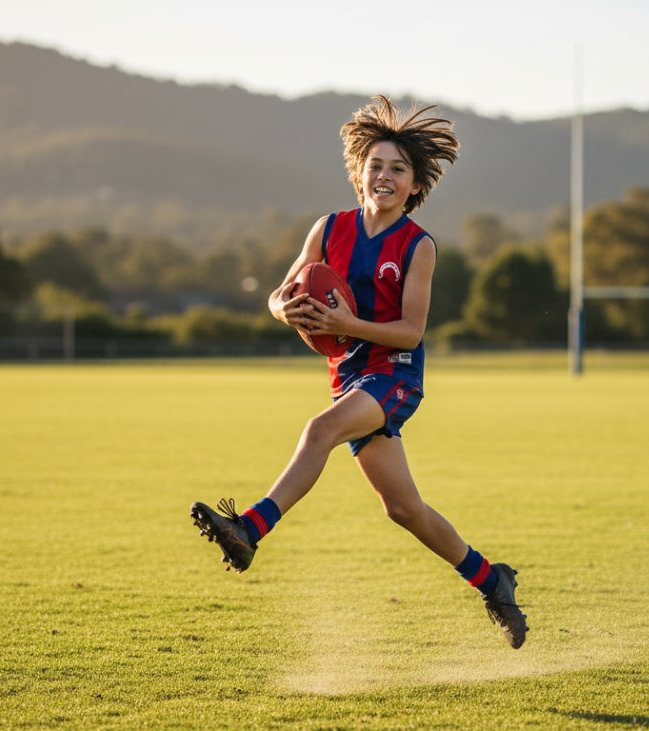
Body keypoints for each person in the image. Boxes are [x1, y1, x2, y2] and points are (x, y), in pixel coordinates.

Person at [190, 96, 527, 649]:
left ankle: (248, 528)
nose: (385, 175)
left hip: (394, 375)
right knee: (404, 509)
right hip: (350, 378)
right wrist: (285, 310)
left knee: (318, 431)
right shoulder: (328, 228)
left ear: (415, 184)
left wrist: (348, 320)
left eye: (398, 169)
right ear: (358, 173)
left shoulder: (418, 246)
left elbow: (411, 332)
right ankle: (492, 579)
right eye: (376, 165)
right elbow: (282, 293)